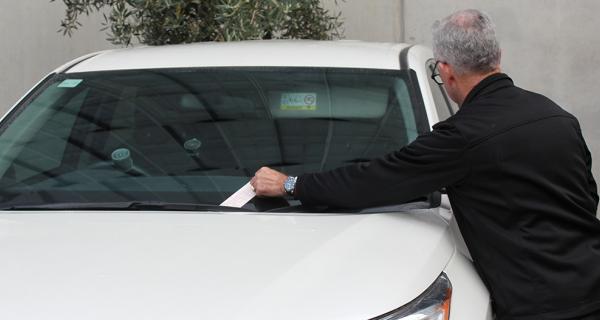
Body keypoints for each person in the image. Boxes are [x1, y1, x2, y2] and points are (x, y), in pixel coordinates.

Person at [250, 9, 600, 320]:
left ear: (445, 70)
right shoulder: (557, 116)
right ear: (498, 56)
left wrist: (290, 184)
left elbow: (374, 180)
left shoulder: (460, 138)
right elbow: (586, 197)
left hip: (540, 306)